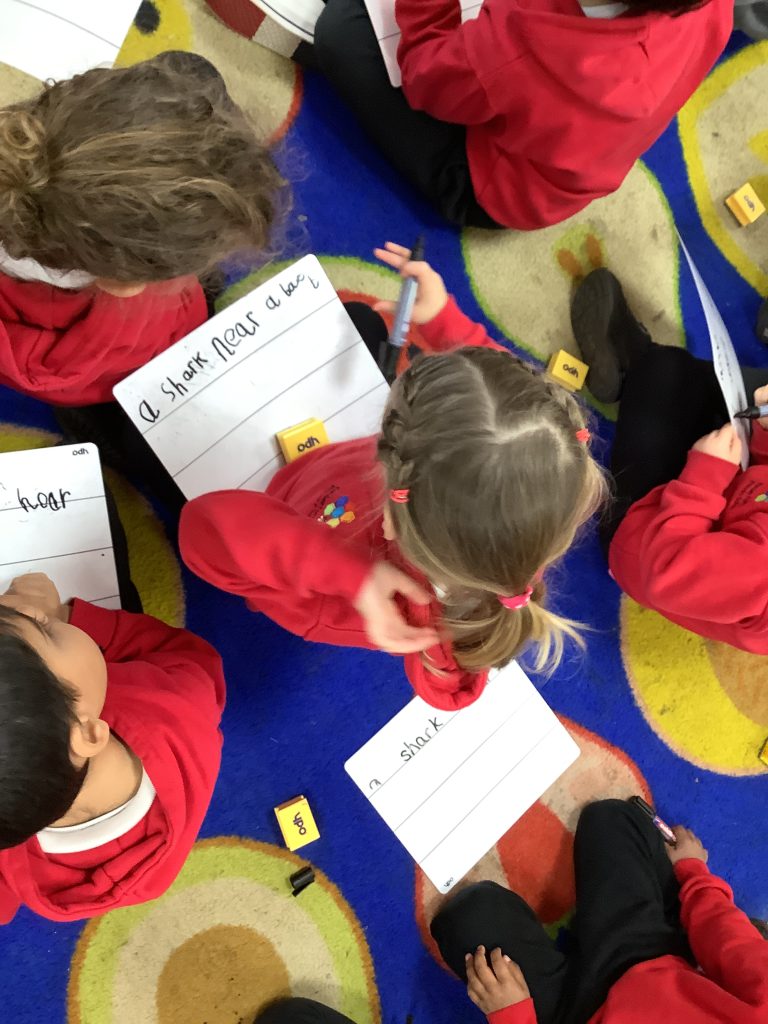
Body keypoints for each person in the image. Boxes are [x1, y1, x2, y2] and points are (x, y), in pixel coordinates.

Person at [178, 242, 606, 711]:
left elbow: (201, 525)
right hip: (333, 487)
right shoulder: (535, 498)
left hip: (285, 534)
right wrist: (443, 321)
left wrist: (349, 575)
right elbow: (512, 412)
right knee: (361, 321)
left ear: (387, 518)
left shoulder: (379, 600)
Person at [0, 49, 284, 499]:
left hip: (54, 352)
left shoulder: (28, 165)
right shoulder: (132, 326)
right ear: (125, 284)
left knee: (190, 71)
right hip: (107, 378)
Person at [301, 0, 732, 229]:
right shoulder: (711, 4)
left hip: (490, 187)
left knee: (343, 31)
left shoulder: (529, 52)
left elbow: (424, 72)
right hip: (570, 154)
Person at [0, 572, 226, 923]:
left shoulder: (15, 840)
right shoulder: (168, 707)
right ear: (89, 735)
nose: (37, 614)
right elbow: (192, 659)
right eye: (46, 631)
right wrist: (67, 616)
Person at [571, 267, 768, 653]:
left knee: (665, 370)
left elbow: (666, 568)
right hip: (733, 493)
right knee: (716, 389)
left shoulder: (757, 576)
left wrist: (705, 475)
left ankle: (634, 364)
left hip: (647, 541)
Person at [431, 798, 768, 1023]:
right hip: (649, 962)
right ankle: (670, 905)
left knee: (466, 919)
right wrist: (693, 871)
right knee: (611, 818)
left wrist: (511, 1016)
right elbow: (732, 945)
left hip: (570, 1014)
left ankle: (666, 901)